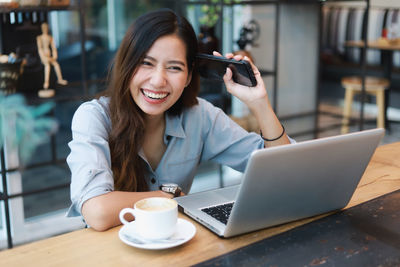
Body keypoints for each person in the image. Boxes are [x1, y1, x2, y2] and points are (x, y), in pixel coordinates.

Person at [66, 9, 293, 231]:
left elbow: (283, 172)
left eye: (174, 67)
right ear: (126, 64)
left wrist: (260, 103)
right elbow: (97, 212)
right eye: (146, 63)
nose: (157, 81)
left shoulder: (200, 116)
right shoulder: (93, 117)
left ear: (188, 77)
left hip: (175, 246)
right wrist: (169, 196)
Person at [36, 22, 68, 90]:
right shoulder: (39, 37)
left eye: (46, 28)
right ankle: (46, 82)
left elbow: (53, 48)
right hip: (44, 57)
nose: (45, 29)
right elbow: (40, 49)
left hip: (49, 56)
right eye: (44, 28)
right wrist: (43, 57)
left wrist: (54, 55)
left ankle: (60, 79)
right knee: (47, 65)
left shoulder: (50, 37)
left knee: (56, 64)